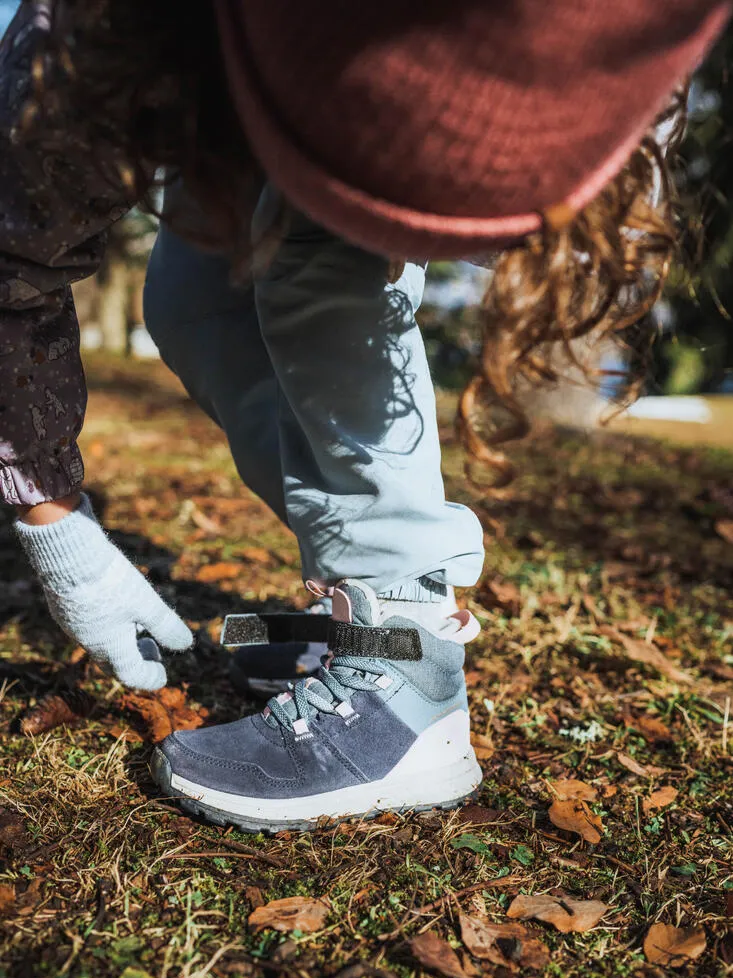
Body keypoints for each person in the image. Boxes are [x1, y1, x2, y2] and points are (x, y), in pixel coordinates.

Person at [1, 0, 728, 831]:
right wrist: (56, 527)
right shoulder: (94, 34)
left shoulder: (612, 59)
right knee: (196, 302)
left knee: (314, 260)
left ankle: (407, 666)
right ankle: (376, 598)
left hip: (536, 104)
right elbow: (9, 253)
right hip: (251, 76)